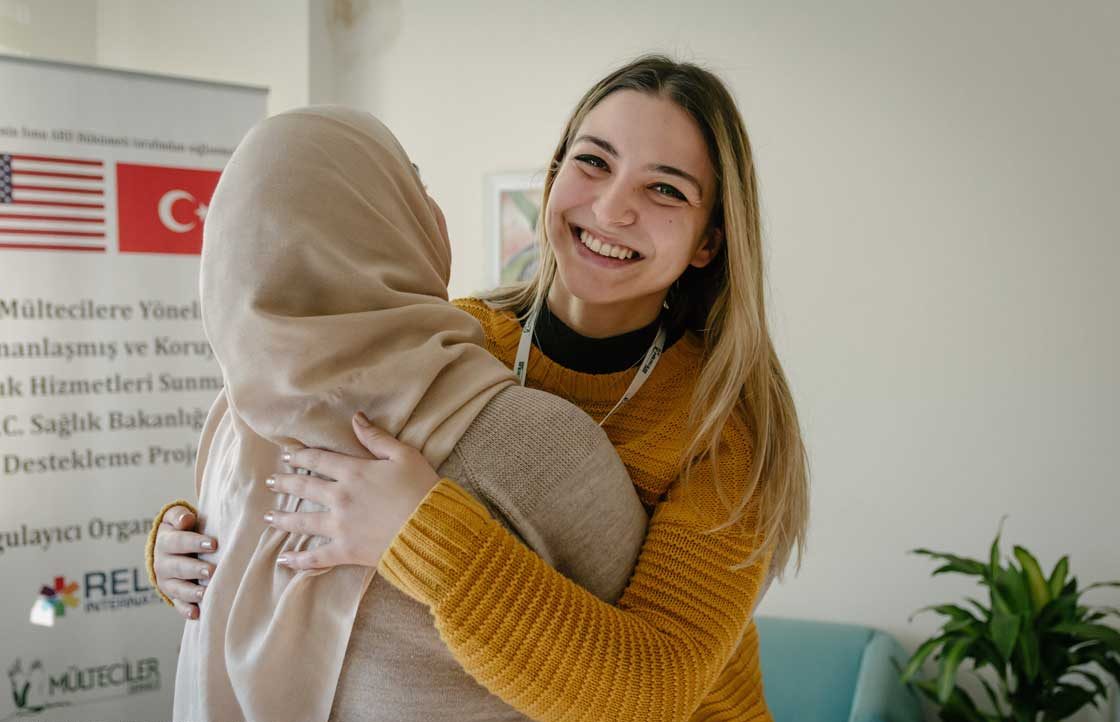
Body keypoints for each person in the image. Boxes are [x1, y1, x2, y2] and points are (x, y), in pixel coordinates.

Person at [152, 54, 811, 721]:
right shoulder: (458, 334)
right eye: (594, 162)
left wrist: (419, 529)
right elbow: (299, 457)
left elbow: (654, 692)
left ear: (709, 242)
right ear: (554, 177)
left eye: (665, 189)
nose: (612, 209)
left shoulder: (724, 425)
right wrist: (189, 546)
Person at [163, 104, 648, 722]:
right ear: (383, 222)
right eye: (413, 185)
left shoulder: (232, 430)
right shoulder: (532, 444)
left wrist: (423, 537)